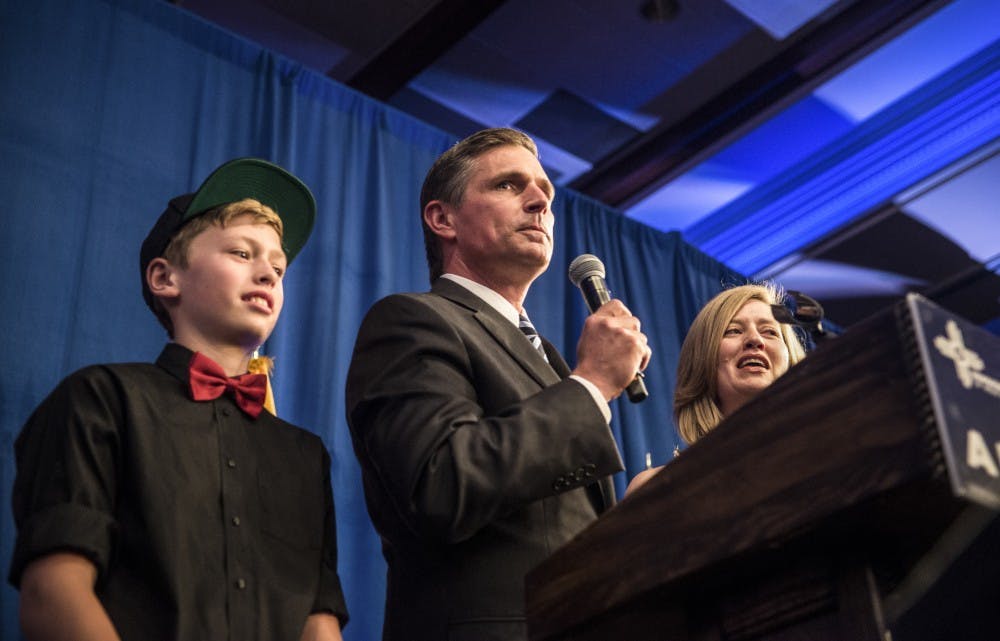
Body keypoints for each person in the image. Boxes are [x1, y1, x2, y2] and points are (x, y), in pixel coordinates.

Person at [9, 158, 349, 641]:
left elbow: (319, 624)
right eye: (240, 253)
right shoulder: (101, 400)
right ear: (165, 278)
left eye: (278, 266)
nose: (269, 274)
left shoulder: (305, 455)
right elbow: (52, 594)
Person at [345, 128, 650, 641]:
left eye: (546, 194)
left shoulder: (551, 360)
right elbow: (442, 483)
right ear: (443, 219)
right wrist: (592, 386)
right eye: (510, 186)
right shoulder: (411, 320)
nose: (539, 202)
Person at [626, 283, 806, 495]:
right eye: (734, 331)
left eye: (770, 332)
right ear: (703, 362)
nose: (755, 340)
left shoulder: (826, 463)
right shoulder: (654, 489)